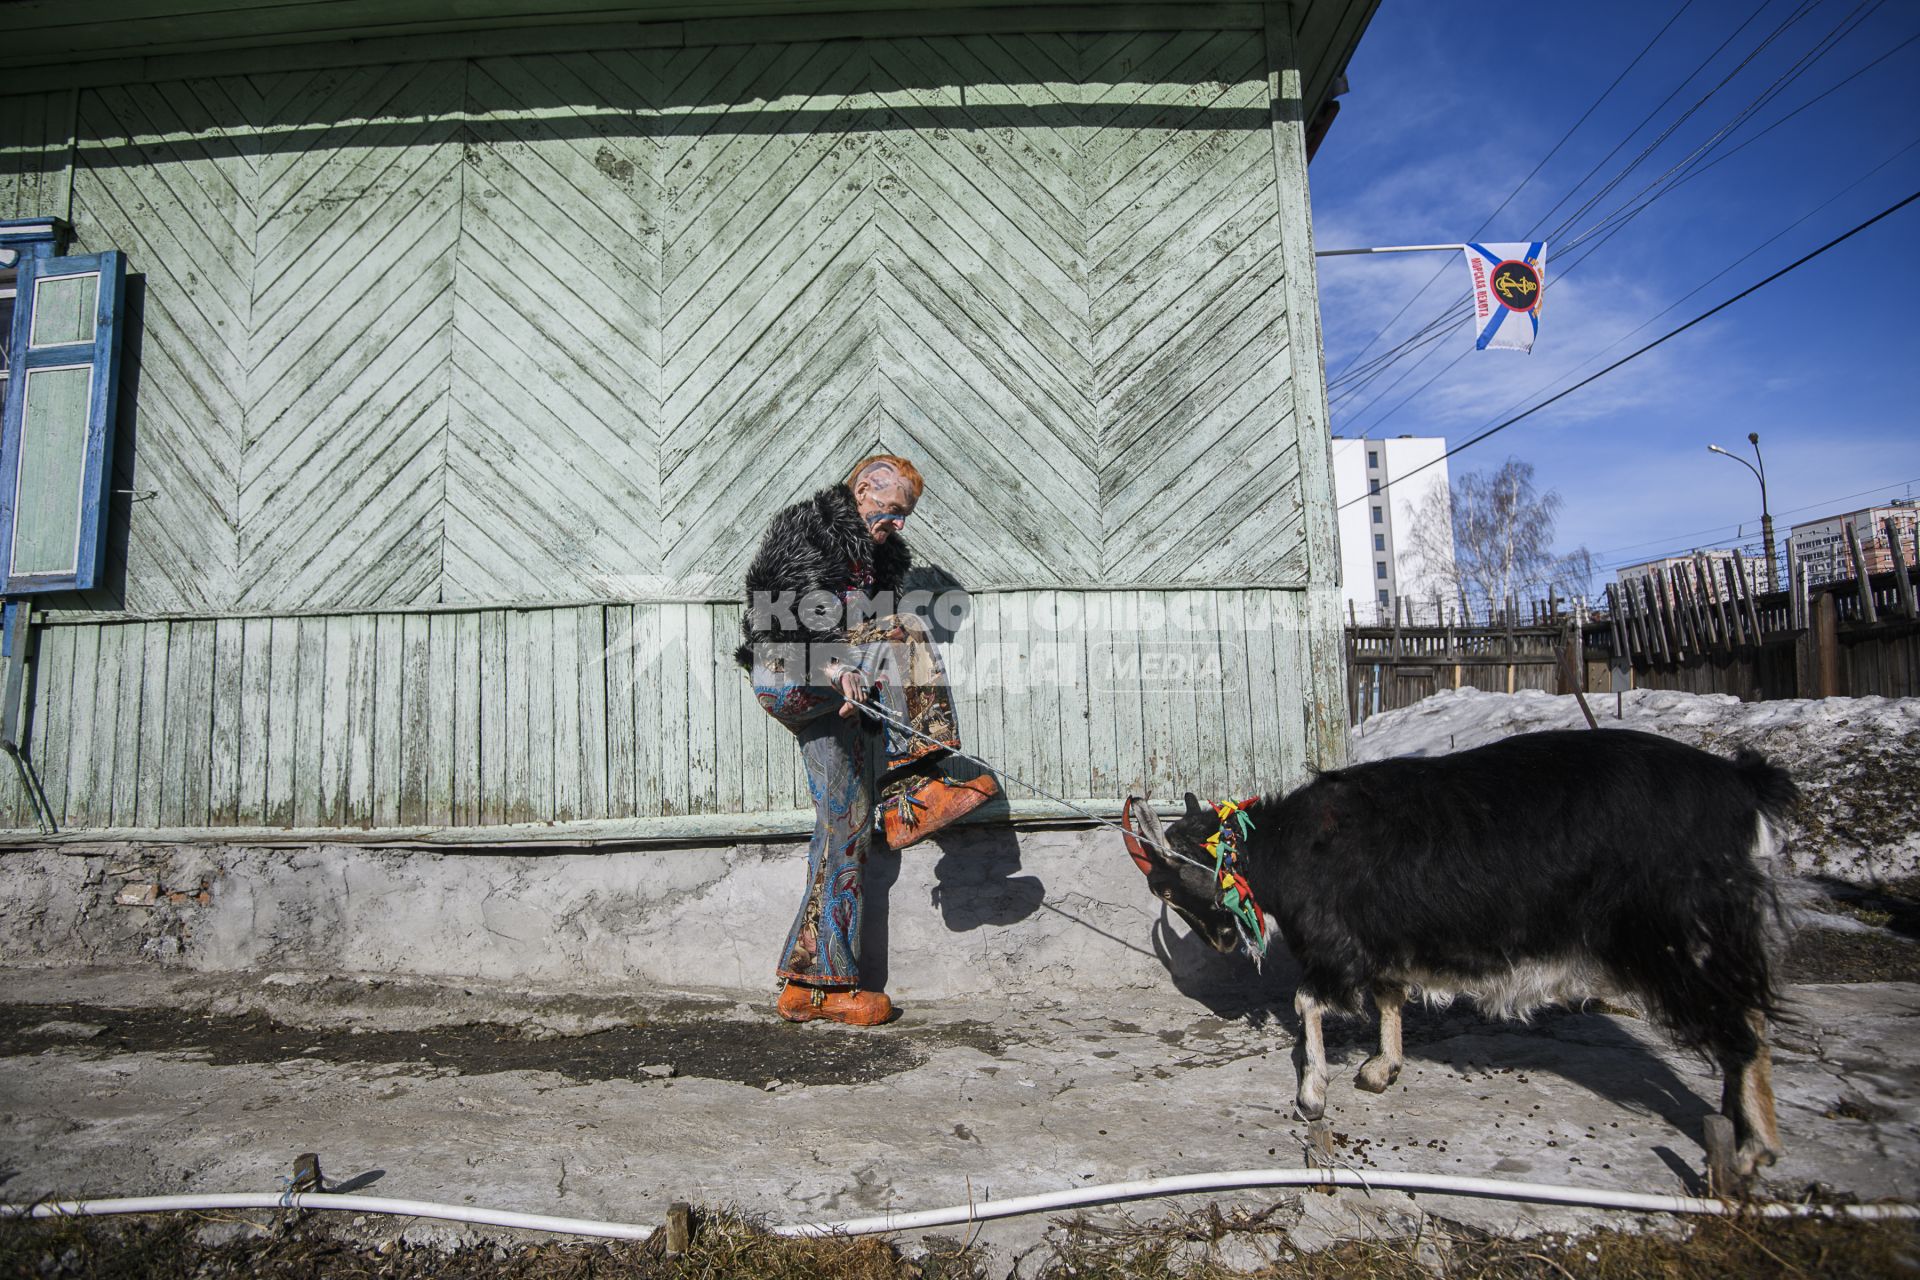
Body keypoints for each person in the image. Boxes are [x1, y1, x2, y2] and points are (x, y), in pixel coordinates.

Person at [734, 454, 997, 1025]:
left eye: (906, 516)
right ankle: (917, 784)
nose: (898, 524)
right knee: (905, 628)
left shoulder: (883, 559)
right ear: (862, 489)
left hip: (838, 700)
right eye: (892, 510)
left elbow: (874, 653)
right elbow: (771, 608)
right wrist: (834, 661)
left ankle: (814, 983)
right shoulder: (807, 525)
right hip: (786, 668)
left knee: (845, 829)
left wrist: (859, 673)